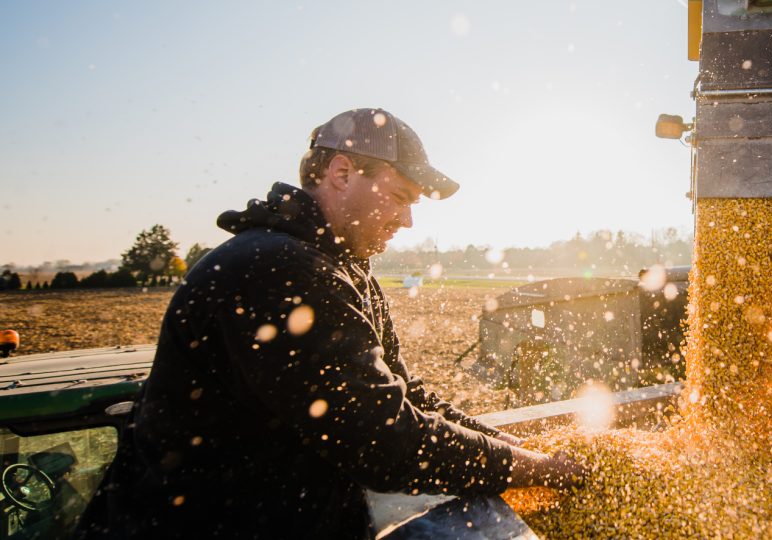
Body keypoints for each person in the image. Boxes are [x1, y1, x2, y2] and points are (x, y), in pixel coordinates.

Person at [76, 108, 582, 539]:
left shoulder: (341, 267)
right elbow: (381, 438)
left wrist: (512, 446)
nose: (408, 221)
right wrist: (529, 469)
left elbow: (405, 396)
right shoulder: (277, 270)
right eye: (402, 196)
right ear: (342, 173)